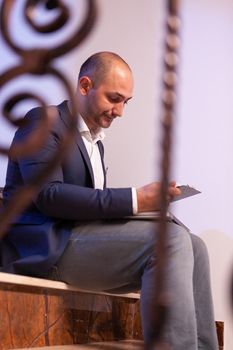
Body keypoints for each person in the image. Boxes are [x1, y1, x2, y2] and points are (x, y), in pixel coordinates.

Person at [1, 52, 218, 349]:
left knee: (196, 245)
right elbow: (48, 194)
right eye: (114, 98)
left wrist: (147, 210)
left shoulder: (94, 141)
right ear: (85, 86)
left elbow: (89, 204)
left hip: (77, 241)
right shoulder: (43, 121)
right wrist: (135, 200)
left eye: (125, 102)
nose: (120, 111)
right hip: (48, 248)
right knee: (170, 241)